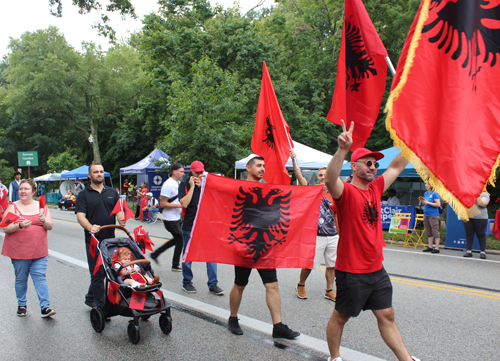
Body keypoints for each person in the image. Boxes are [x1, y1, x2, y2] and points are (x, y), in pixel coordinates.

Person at [324, 121, 420, 361]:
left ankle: (406, 360)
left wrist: (416, 139)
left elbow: (397, 166)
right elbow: (329, 180)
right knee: (341, 316)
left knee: (386, 314)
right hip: (351, 270)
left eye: (376, 164)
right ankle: (334, 357)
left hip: (376, 268)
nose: (374, 167)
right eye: (368, 163)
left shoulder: (376, 188)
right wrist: (342, 150)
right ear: (354, 166)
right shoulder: (344, 192)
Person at [228, 156, 300, 339]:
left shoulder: (270, 188)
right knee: (240, 284)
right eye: (259, 165)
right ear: (248, 168)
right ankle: (233, 318)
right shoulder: (237, 188)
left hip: (266, 246)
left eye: (264, 166)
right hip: (245, 246)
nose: (262, 169)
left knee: (272, 285)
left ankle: (278, 327)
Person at [1, 179, 56, 317]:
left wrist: (44, 221)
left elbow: (50, 226)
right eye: (20, 189)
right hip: (19, 251)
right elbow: (6, 227)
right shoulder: (13, 206)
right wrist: (19, 225)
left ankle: (45, 307)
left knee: (39, 277)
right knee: (21, 278)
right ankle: (22, 304)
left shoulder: (41, 205)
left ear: (33, 192)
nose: (22, 191)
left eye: (26, 189)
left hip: (39, 250)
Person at [290, 149, 338, 301]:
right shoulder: (312, 190)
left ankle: (329, 290)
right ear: (318, 177)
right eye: (321, 175)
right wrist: (293, 160)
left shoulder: (337, 192)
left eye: (325, 175)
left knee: (332, 265)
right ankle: (301, 284)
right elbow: (299, 176)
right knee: (310, 264)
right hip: (316, 235)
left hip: (333, 235)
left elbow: (338, 214)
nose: (323, 178)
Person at [75, 163, 125, 309]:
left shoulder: (112, 192)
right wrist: (90, 227)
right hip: (93, 241)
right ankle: (100, 306)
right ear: (89, 176)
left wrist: (121, 219)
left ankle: (90, 297)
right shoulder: (83, 195)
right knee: (97, 274)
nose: (99, 174)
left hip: (110, 240)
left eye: (101, 172)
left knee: (108, 271)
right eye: (95, 172)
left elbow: (118, 210)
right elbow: (80, 216)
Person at [178, 160, 224, 295]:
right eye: (197, 172)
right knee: (188, 254)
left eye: (201, 172)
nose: (199, 174)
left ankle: (213, 284)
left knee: (211, 255)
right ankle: (187, 281)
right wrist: (192, 187)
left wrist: (203, 185)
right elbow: (184, 204)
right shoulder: (184, 184)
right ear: (191, 171)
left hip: (206, 224)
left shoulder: (206, 183)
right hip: (190, 224)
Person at [150, 163, 185, 272]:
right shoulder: (168, 184)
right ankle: (175, 264)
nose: (183, 173)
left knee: (177, 239)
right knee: (181, 240)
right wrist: (180, 205)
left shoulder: (178, 183)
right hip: (169, 219)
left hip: (176, 217)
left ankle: (155, 254)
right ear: (174, 171)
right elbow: (163, 204)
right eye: (181, 171)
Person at [462, 193, 490, 259]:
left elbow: (483, 204)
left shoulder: (484, 194)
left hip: (480, 217)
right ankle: (469, 251)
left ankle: (483, 252)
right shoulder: (467, 192)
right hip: (467, 216)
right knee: (469, 234)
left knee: (481, 234)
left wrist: (474, 196)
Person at [420, 182, 441, 253]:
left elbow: (438, 204)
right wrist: (423, 201)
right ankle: (430, 246)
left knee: (435, 230)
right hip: (426, 214)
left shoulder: (435, 193)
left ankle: (437, 247)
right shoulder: (426, 193)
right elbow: (424, 203)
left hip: (433, 214)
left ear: (430, 185)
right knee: (428, 230)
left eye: (426, 184)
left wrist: (428, 202)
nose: (425, 185)